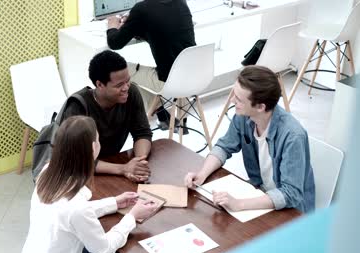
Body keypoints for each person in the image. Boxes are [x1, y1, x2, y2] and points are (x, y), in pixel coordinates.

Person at [20, 116, 159, 253]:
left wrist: (114, 203)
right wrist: (132, 216)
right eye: (98, 140)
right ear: (93, 147)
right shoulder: (76, 206)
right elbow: (104, 248)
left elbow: (69, 215)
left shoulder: (48, 172)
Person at [184, 65, 315, 213]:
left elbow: (290, 194)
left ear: (260, 107)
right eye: (234, 94)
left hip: (290, 211)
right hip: (259, 192)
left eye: (239, 99)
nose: (232, 100)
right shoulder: (244, 117)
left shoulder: (292, 136)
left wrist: (239, 204)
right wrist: (201, 175)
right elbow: (224, 147)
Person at [63, 50, 153, 183]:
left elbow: (142, 133)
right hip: (78, 173)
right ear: (99, 84)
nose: (126, 87)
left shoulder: (131, 93)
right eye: (119, 85)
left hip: (111, 163)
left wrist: (139, 162)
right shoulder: (78, 106)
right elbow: (77, 160)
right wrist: (123, 169)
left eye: (127, 81)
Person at [106, 0, 196, 129]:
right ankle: (163, 116)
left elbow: (114, 43)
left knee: (113, 68)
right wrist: (134, 23)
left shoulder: (142, 9)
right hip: (196, 76)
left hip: (170, 81)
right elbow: (162, 30)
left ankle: (159, 110)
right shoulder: (181, 2)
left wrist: (112, 25)